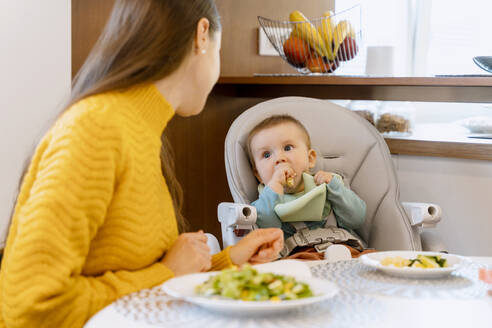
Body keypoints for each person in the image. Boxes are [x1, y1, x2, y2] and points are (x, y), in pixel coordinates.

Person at [0, 1, 283, 327]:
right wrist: (167, 272)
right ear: (202, 35)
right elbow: (31, 307)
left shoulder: (140, 130)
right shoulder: (97, 129)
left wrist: (227, 260)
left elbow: (149, 275)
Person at [247, 114, 367, 259]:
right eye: (266, 155)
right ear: (258, 175)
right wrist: (275, 186)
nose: (279, 158)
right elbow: (267, 231)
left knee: (373, 258)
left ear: (310, 159)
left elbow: (357, 218)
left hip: (346, 249)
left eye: (287, 147)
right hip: (301, 258)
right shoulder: (264, 202)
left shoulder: (325, 185)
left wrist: (335, 188)